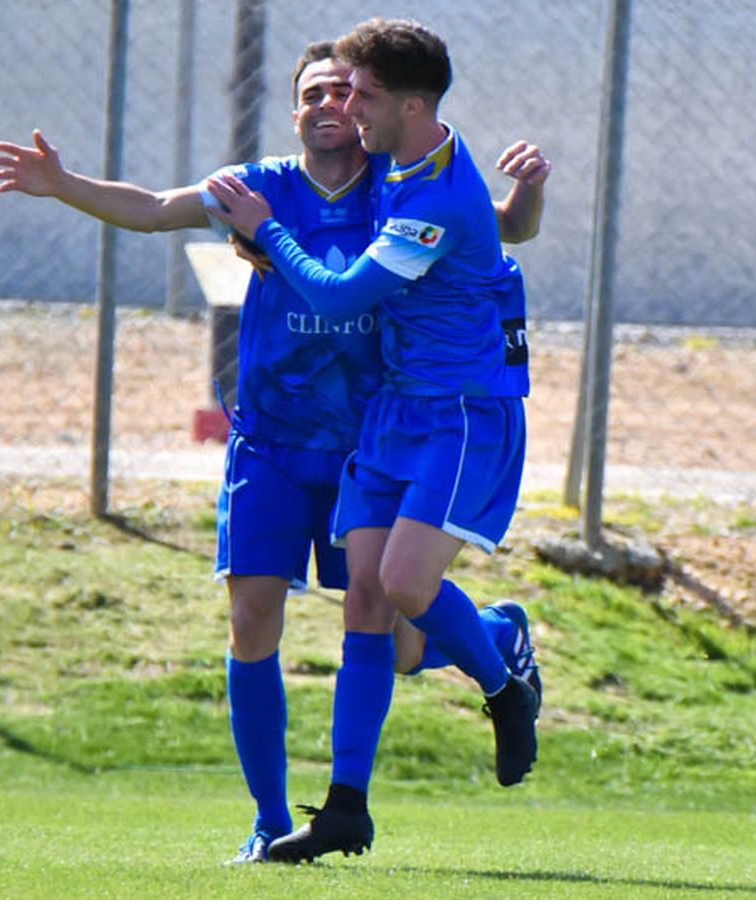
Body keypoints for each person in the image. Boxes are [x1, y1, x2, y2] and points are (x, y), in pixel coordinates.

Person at [0, 41, 549, 866]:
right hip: (274, 442)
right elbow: (150, 208)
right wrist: (63, 185)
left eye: (345, 92)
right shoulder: (262, 186)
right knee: (252, 615)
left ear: (376, 107)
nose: (332, 105)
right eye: (315, 93)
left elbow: (501, 229)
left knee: (391, 627)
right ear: (294, 113)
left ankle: (491, 646)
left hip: (371, 433)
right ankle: (269, 817)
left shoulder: (398, 182)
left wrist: (529, 191)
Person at [206, 18, 545, 864]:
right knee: (370, 605)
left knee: (396, 582)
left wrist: (265, 230)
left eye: (357, 93)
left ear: (410, 103)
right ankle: (345, 811)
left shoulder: (429, 199)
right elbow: (504, 229)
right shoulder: (402, 156)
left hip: (461, 410)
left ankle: (501, 674)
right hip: (394, 407)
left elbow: (331, 295)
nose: (342, 106)